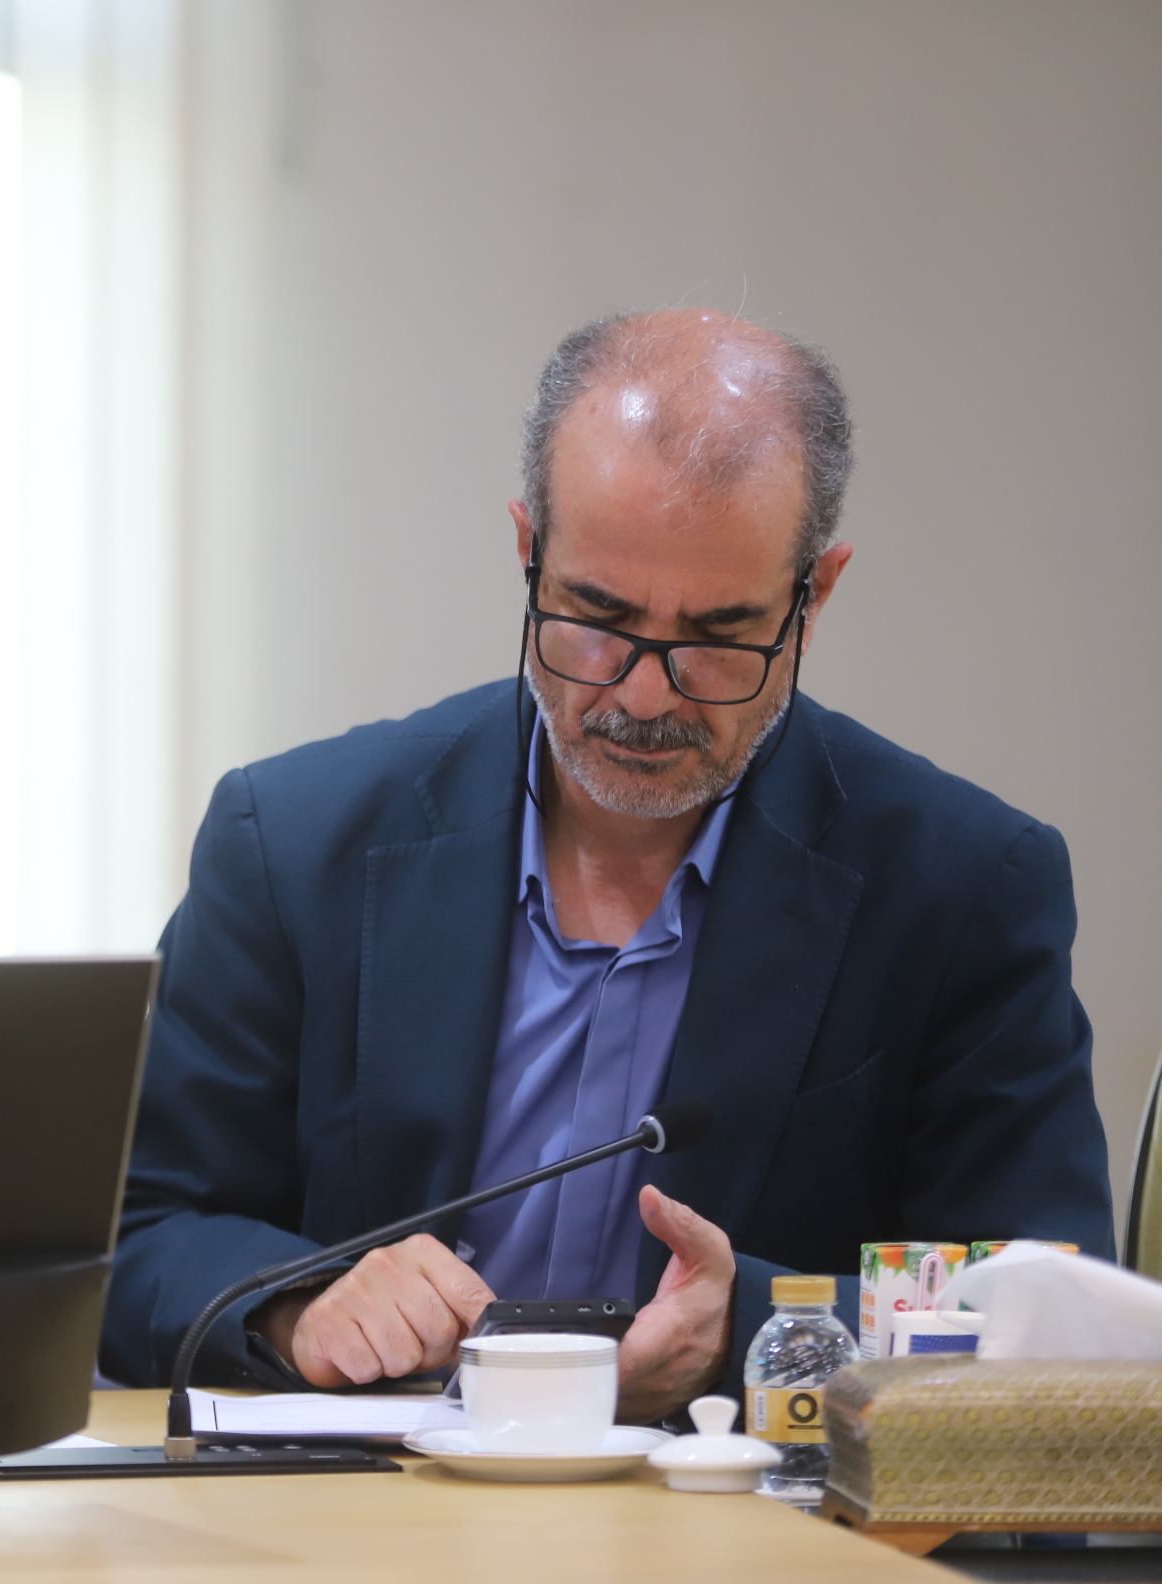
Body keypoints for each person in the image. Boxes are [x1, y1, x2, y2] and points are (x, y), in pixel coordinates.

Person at [99, 310, 1111, 1419]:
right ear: (528, 553)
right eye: (597, 616)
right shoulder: (291, 841)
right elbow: (126, 1235)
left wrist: (748, 1330)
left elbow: (1043, 1327)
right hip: (366, 1498)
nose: (641, 694)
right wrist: (298, 1306)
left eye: (717, 636)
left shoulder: (964, 889)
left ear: (813, 597)